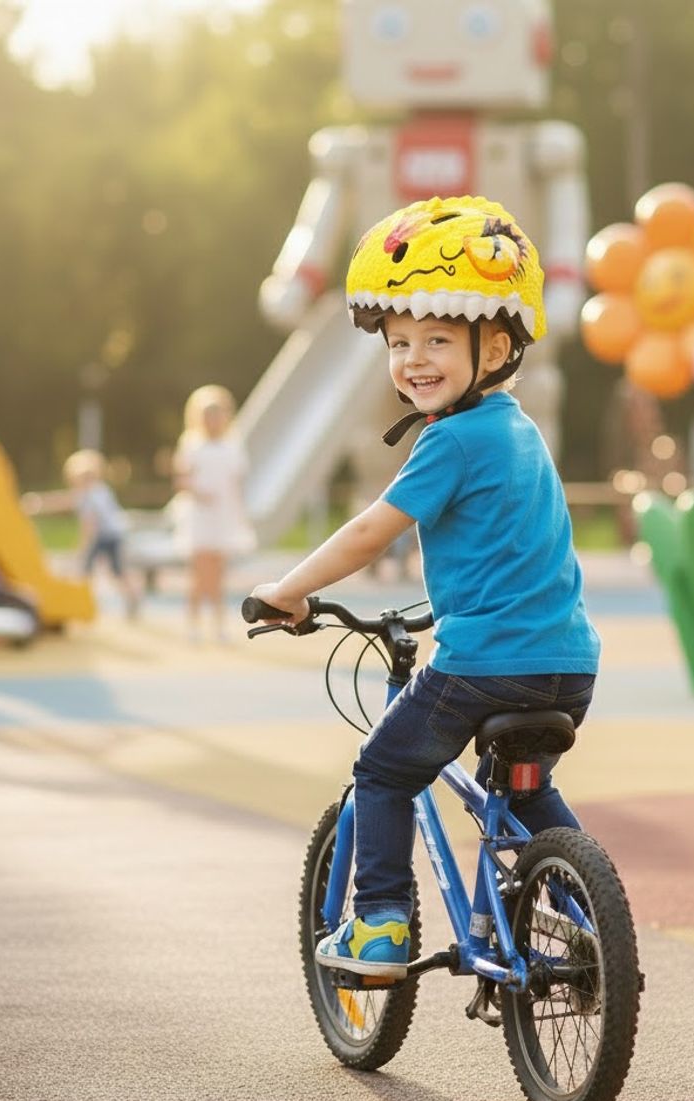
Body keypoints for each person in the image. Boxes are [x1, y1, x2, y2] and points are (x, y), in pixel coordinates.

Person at [246, 196, 601, 978]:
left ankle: (379, 925)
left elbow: (374, 529)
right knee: (523, 787)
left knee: (383, 770)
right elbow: (506, 546)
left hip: (481, 664)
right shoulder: (517, 430)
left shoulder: (452, 440)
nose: (414, 359)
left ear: (498, 345)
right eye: (399, 342)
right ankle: (590, 913)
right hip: (568, 662)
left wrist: (290, 589)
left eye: (438, 338)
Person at [172, 384, 254, 643]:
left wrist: (239, 515)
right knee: (199, 575)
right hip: (199, 517)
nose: (213, 420)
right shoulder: (191, 444)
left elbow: (236, 484)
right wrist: (200, 493)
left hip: (223, 517)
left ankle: (219, 626)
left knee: (218, 575)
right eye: (208, 415)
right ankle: (193, 625)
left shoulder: (233, 445)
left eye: (217, 414)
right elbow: (181, 481)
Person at [63, 448, 141, 618]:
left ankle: (84, 602)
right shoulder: (99, 490)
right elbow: (67, 500)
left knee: (88, 570)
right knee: (116, 571)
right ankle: (131, 597)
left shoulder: (91, 495)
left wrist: (82, 546)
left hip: (107, 535)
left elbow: (90, 524)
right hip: (112, 533)